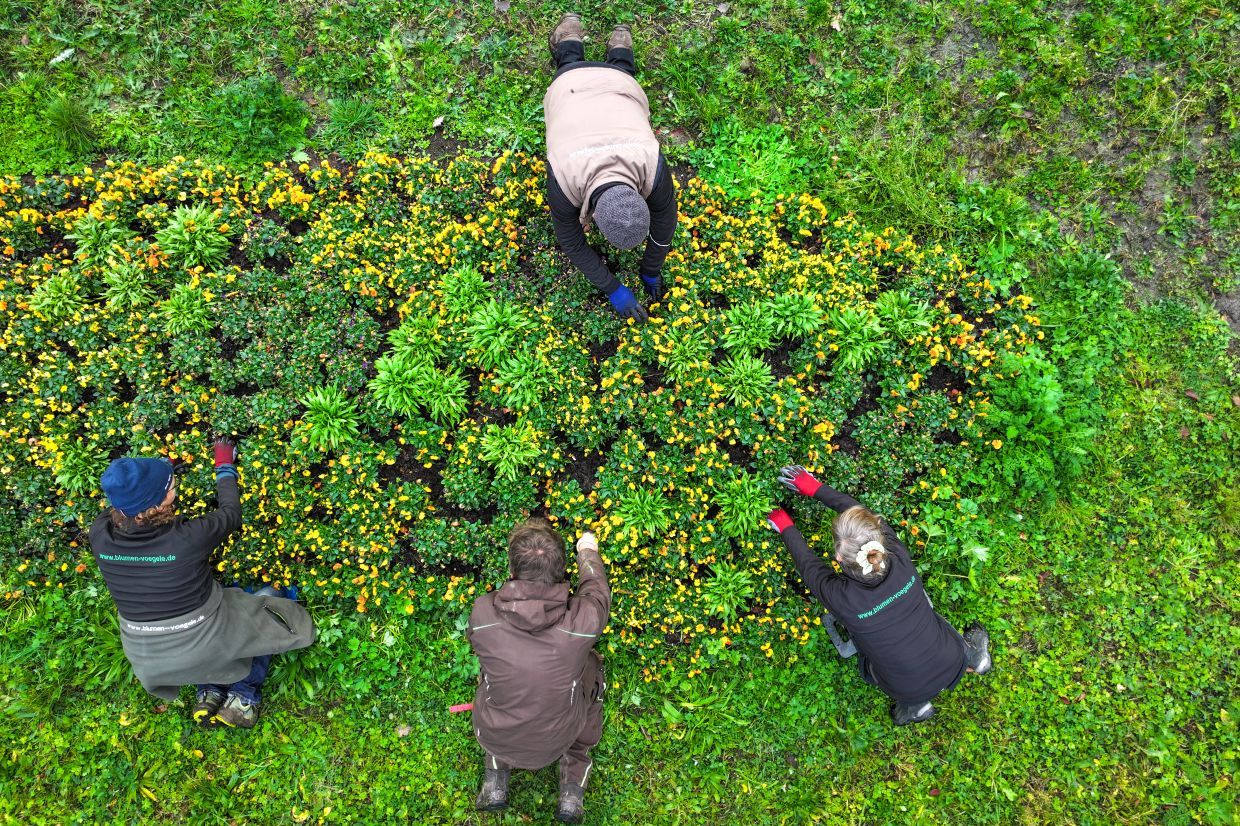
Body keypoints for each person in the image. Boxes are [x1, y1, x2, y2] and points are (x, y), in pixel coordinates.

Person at [88, 437, 315, 729]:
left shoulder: (100, 534)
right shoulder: (187, 538)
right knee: (270, 598)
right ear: (159, 503)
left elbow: (127, 506)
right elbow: (230, 514)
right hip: (204, 636)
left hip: (149, 656)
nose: (175, 489)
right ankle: (243, 697)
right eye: (172, 487)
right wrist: (224, 465)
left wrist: (145, 482)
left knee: (203, 643)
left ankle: (208, 692)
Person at [766, 465, 992, 725]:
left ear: (838, 558)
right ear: (879, 539)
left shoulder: (843, 599)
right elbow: (861, 518)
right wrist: (816, 488)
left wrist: (784, 524)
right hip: (951, 656)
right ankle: (975, 658)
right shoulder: (898, 555)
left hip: (905, 688)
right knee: (936, 625)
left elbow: (807, 563)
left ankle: (915, 707)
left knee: (880, 666)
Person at [467, 518, 610, 824]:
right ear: (561, 573)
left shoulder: (483, 614)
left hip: (492, 733)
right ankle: (572, 793)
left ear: (511, 571)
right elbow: (597, 591)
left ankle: (495, 783)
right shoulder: (582, 623)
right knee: (593, 672)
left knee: (492, 680)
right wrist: (587, 550)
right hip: (558, 740)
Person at [544, 13, 678, 323]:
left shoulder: (650, 162)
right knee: (574, 68)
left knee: (620, 77)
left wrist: (651, 268)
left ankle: (609, 40)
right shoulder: (565, 179)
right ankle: (576, 39)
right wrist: (612, 287)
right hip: (571, 85)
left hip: (609, 85)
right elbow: (572, 241)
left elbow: (664, 222)